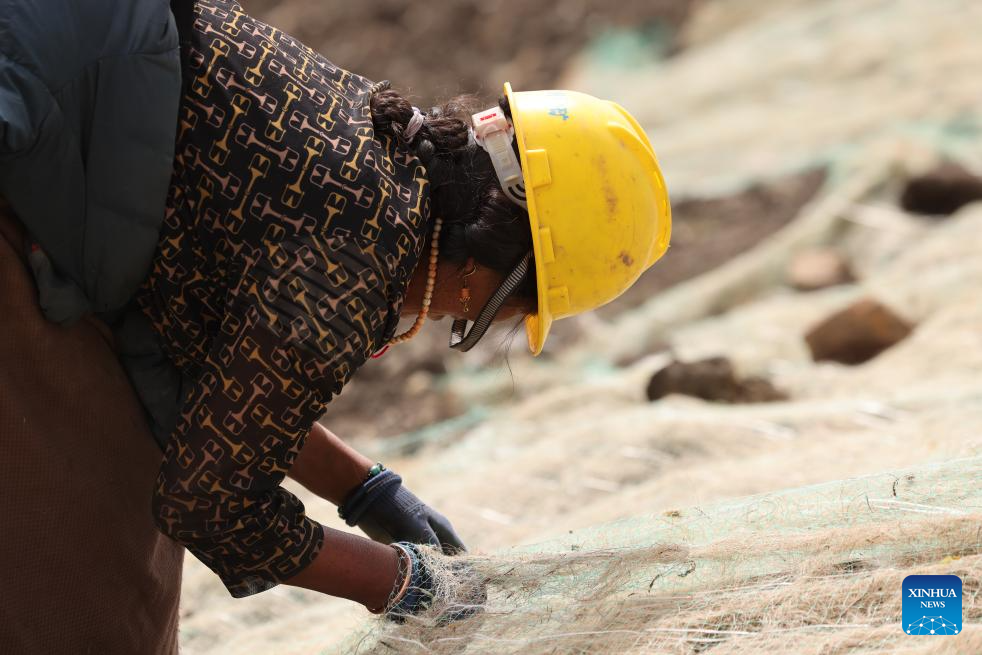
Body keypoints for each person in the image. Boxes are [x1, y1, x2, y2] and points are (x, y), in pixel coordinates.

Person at [0, 0, 671, 636]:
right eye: (508, 311)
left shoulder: (372, 144)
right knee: (99, 600)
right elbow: (208, 505)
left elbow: (235, 379)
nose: (472, 322)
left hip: (41, 72)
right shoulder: (356, 266)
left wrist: (361, 487)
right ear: (487, 274)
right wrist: (401, 582)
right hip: (21, 124)